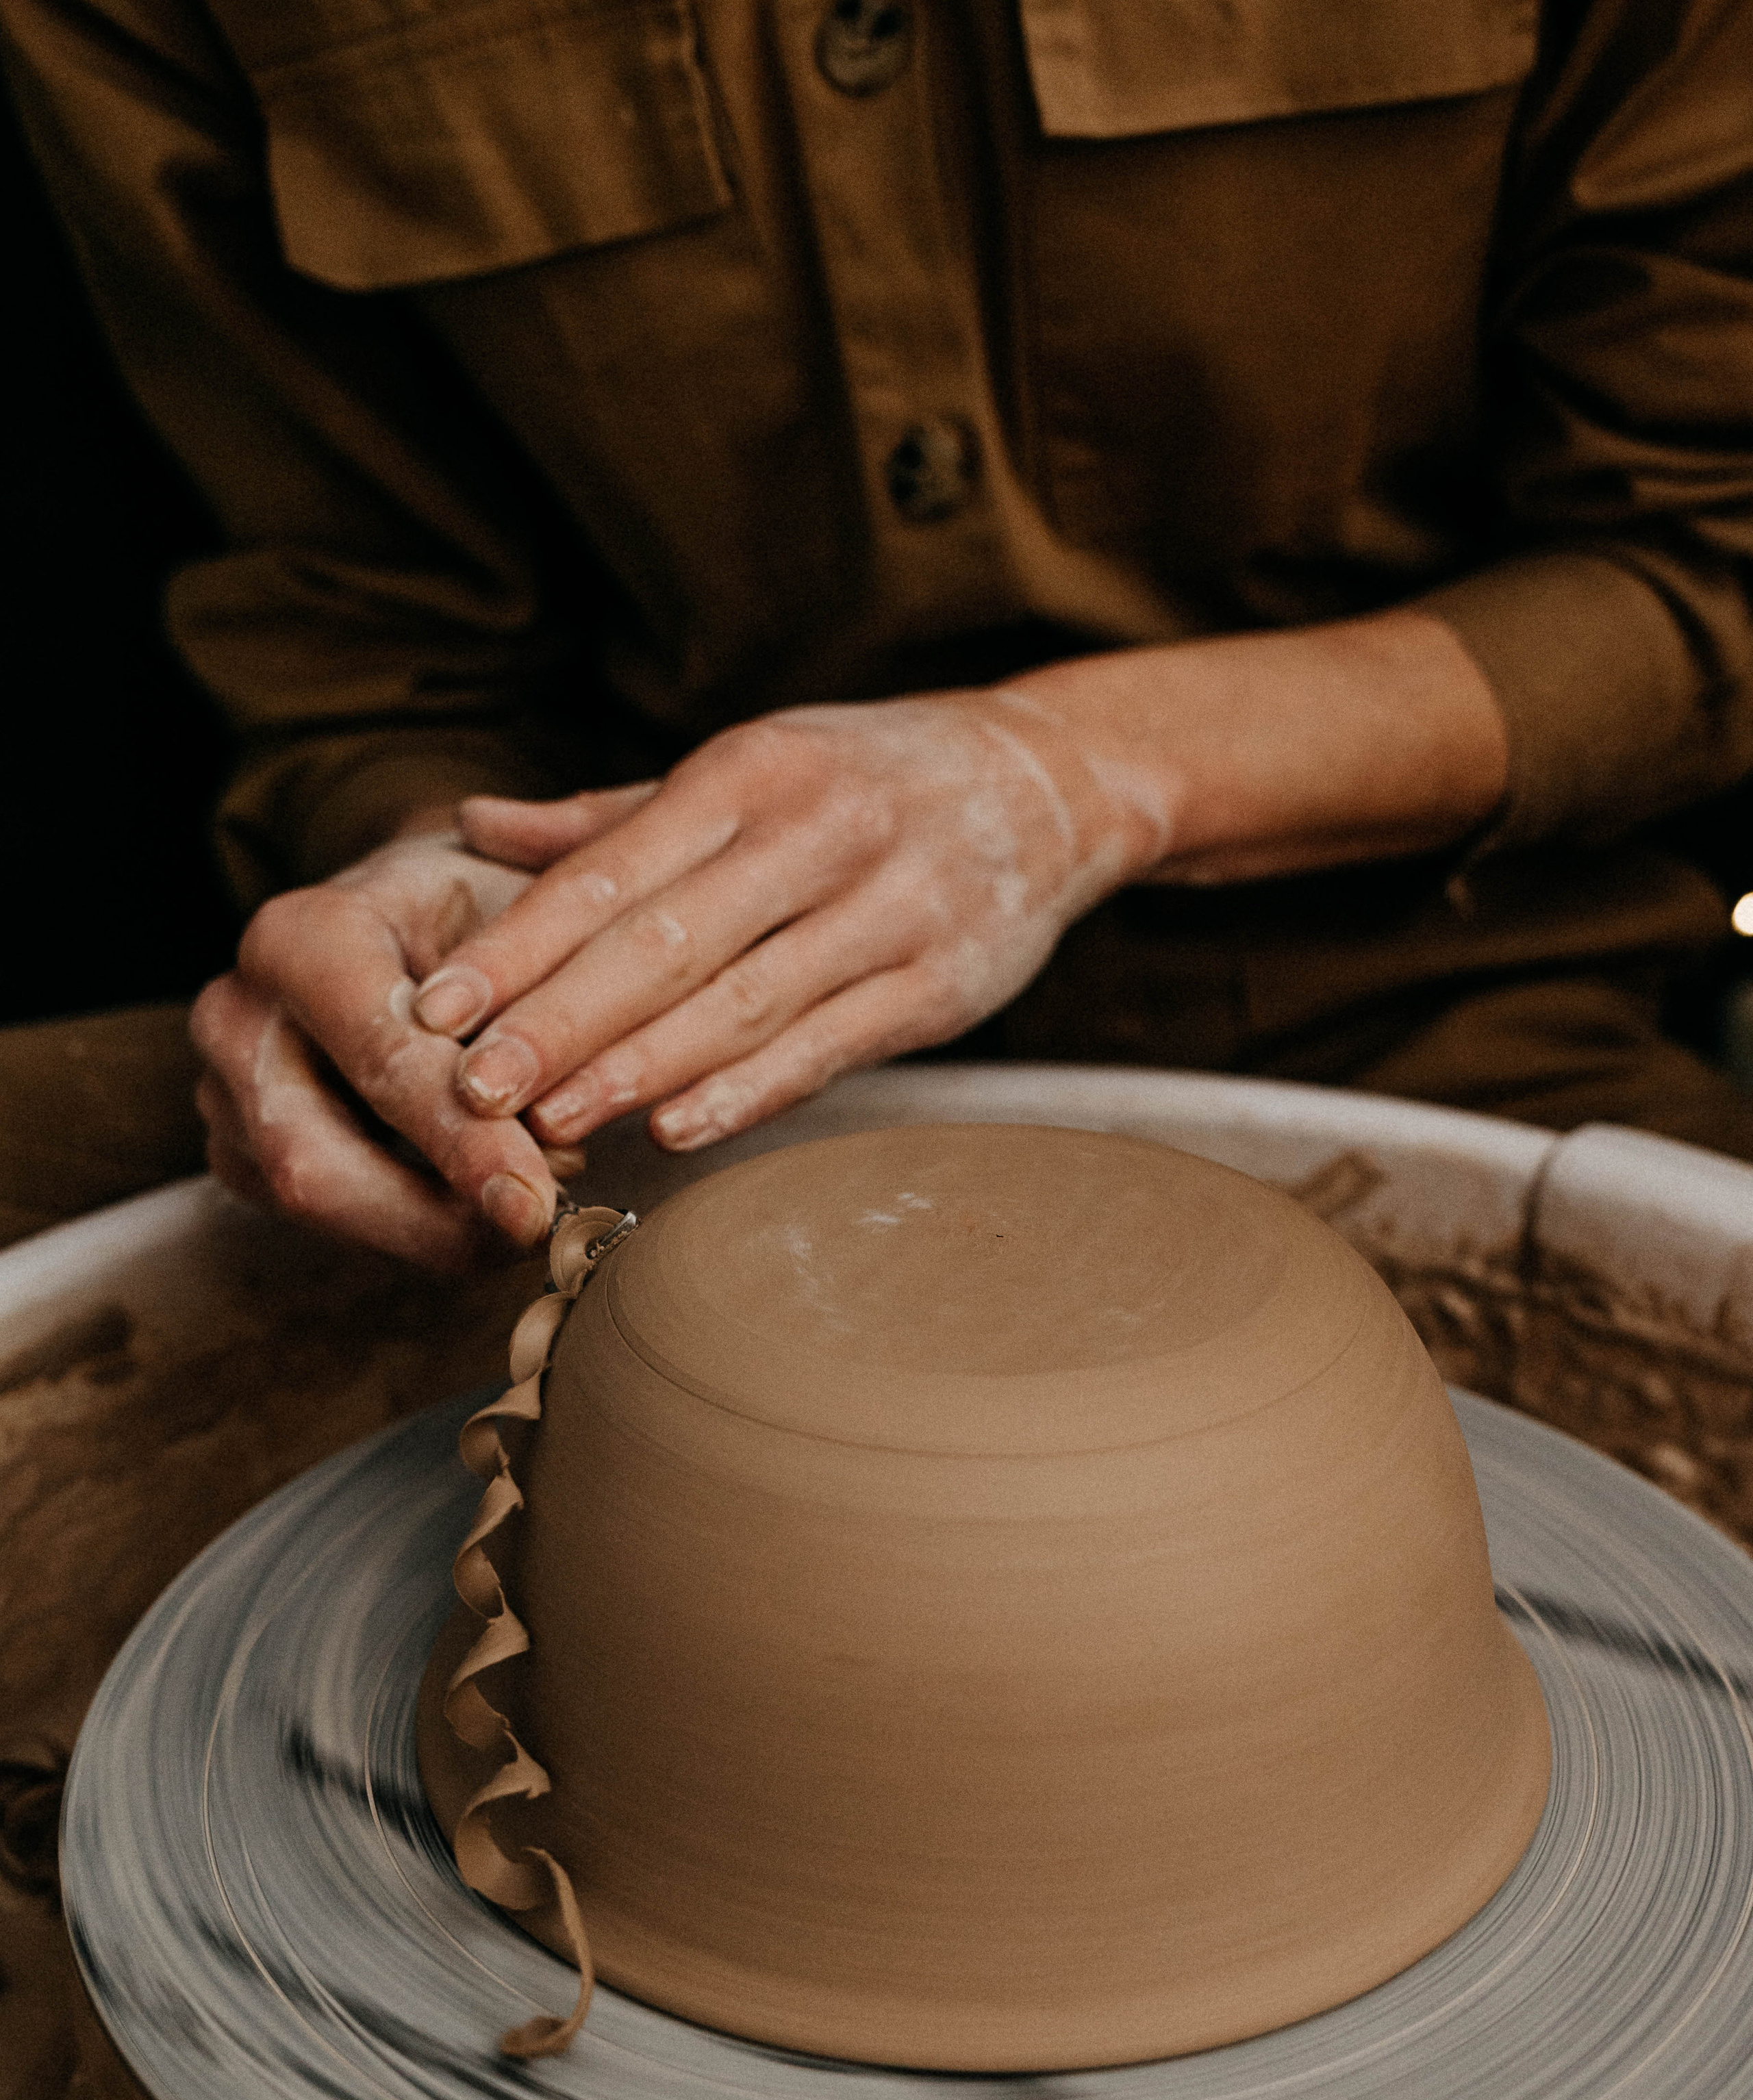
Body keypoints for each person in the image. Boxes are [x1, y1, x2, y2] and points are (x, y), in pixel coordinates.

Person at [5, 0, 1751, 1269]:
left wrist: (1072, 778)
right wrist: (439, 912)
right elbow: (369, 634)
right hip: (646, 1056)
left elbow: (1704, 551)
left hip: (1437, 999)